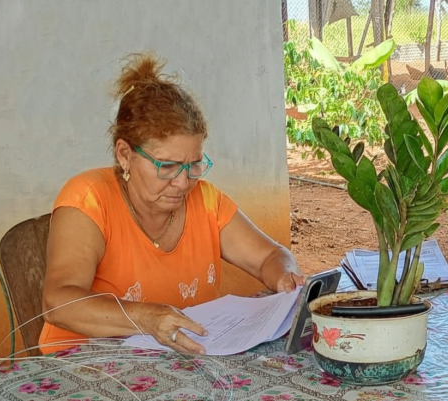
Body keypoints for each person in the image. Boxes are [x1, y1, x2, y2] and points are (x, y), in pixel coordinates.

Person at [40, 53, 305, 355]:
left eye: (193, 165)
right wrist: (145, 318)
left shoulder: (205, 201)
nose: (183, 182)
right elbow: (58, 302)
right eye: (167, 166)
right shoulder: (89, 200)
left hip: (176, 366)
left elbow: (270, 255)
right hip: (84, 369)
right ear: (125, 154)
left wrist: (284, 277)